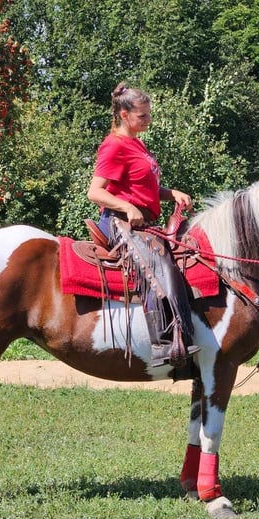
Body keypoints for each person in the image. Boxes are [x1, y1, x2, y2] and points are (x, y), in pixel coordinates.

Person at [87, 82, 198, 369]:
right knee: (158, 268)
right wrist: (126, 207)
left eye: (148, 115)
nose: (148, 121)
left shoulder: (137, 142)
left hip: (142, 222)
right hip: (119, 223)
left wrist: (170, 193)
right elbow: (95, 192)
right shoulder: (114, 145)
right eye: (142, 116)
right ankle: (165, 342)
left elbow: (143, 187)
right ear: (124, 115)